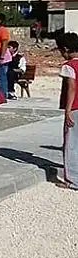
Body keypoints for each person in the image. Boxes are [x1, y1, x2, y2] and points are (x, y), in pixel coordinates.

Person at [57, 32, 78, 190]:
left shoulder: (69, 66)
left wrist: (68, 110)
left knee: (71, 144)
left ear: (65, 49)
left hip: (75, 107)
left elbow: (71, 87)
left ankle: (73, 180)